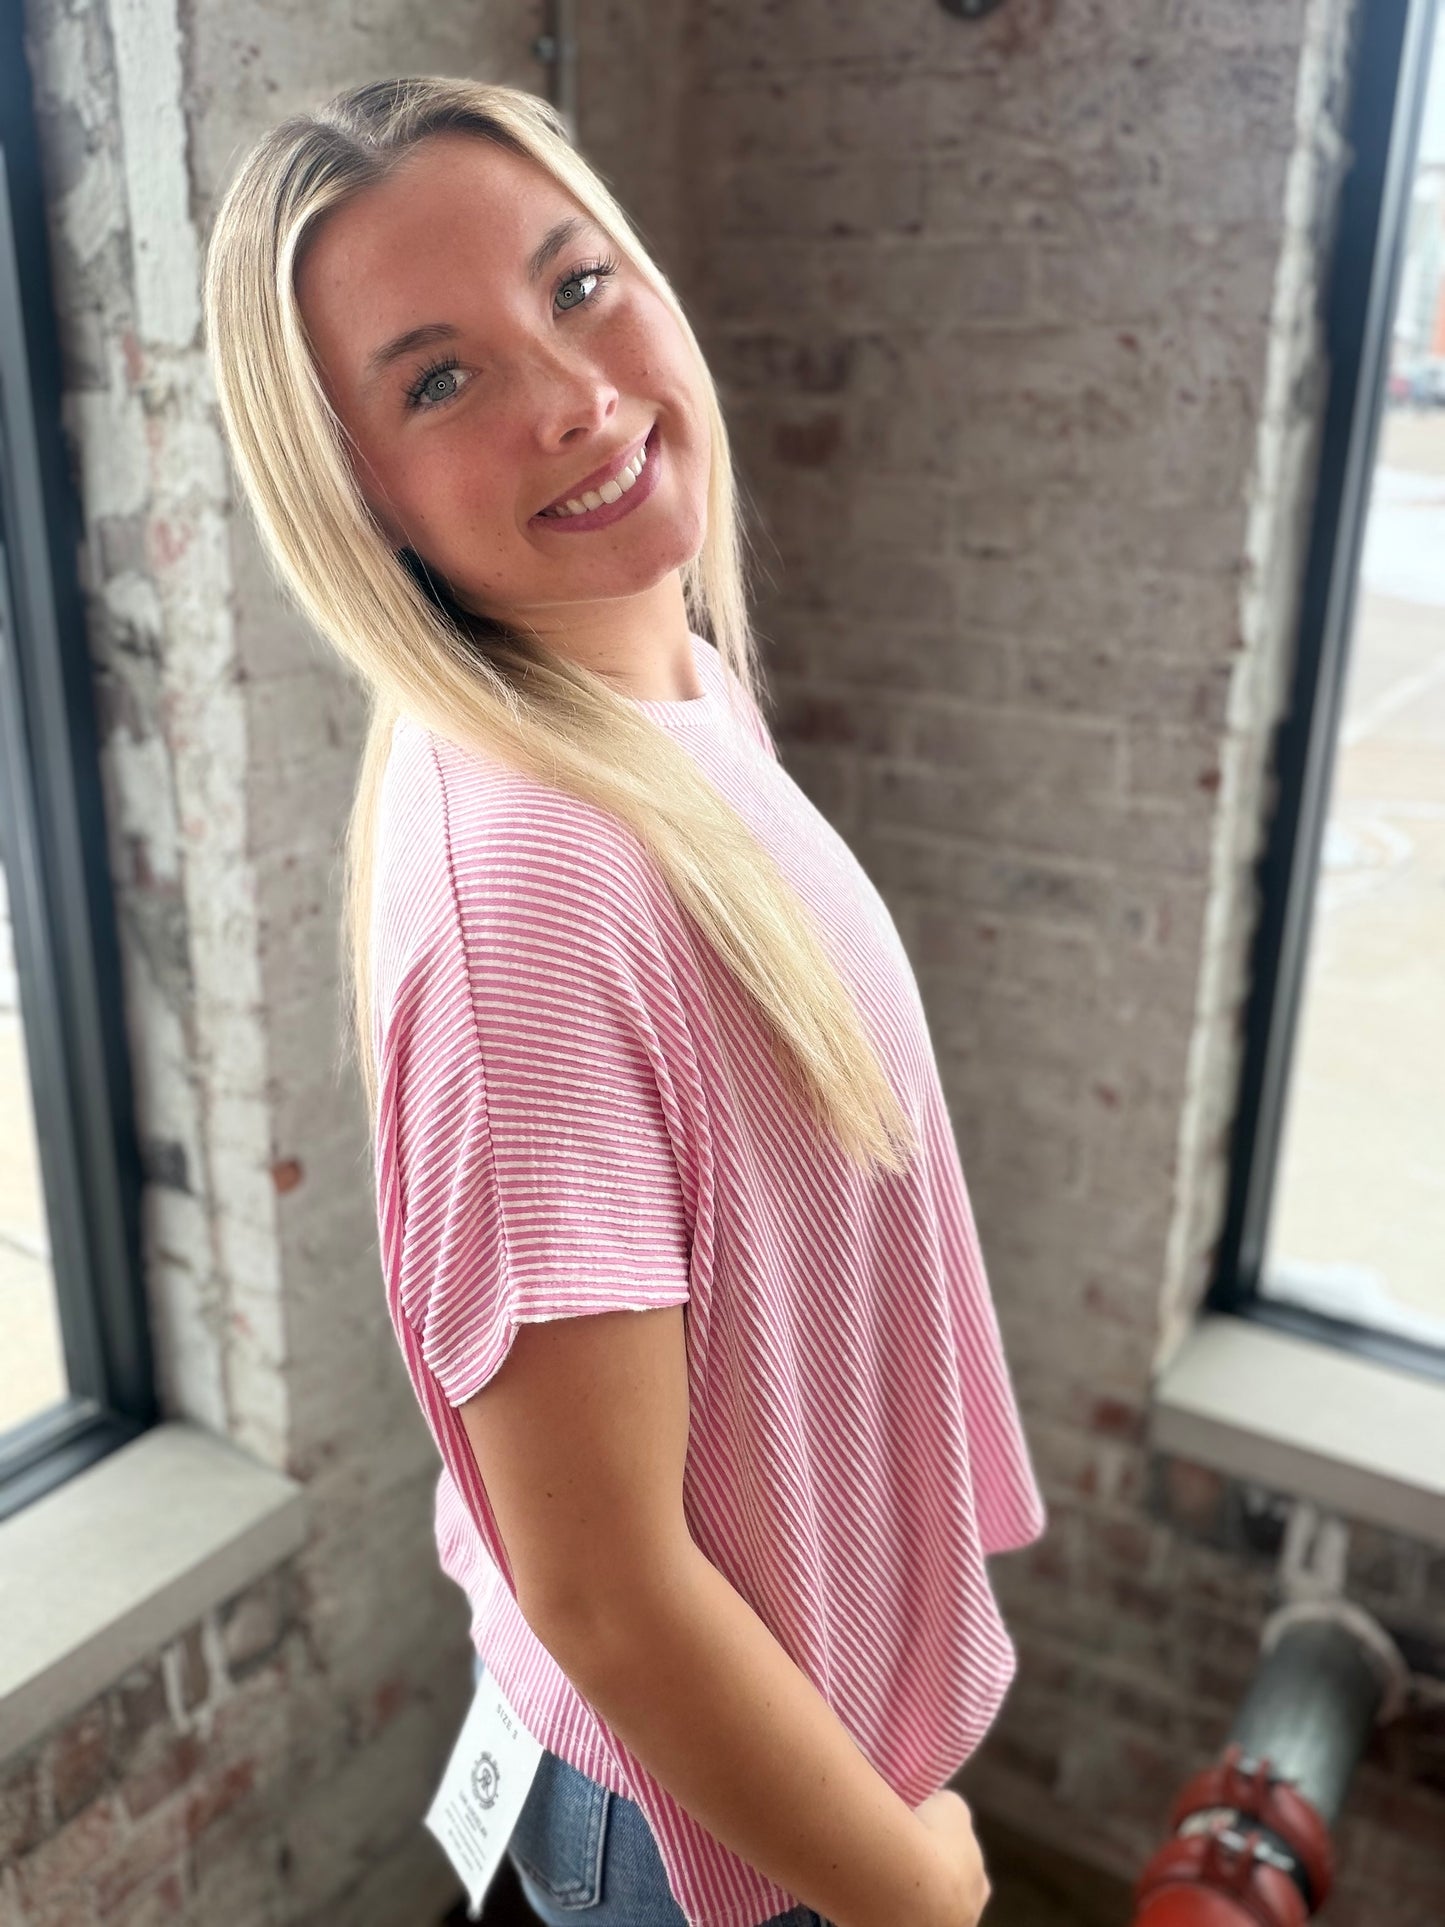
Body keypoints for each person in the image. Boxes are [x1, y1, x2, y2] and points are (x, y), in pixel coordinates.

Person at [202, 76, 1046, 1927]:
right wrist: (915, 1896)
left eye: (576, 284)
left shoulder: (668, 690)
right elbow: (607, 1596)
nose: (574, 396)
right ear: (359, 498)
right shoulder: (529, 899)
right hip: (703, 1852)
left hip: (766, 1766)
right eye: (439, 380)